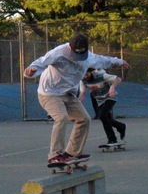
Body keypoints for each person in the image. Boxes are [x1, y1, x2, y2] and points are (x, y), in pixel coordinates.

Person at [24, 33, 131, 166]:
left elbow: (103, 60)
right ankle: (55, 155)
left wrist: (119, 62)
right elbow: (41, 62)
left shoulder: (89, 57)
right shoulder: (58, 52)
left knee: (84, 119)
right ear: (70, 47)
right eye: (76, 55)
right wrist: (31, 70)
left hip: (68, 93)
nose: (78, 59)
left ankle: (72, 153)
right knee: (61, 117)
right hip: (49, 93)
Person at [80, 68, 126, 146]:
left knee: (102, 116)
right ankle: (121, 126)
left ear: (92, 72)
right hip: (100, 100)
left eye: (87, 74)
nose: (85, 77)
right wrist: (78, 101)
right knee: (107, 119)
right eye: (84, 75)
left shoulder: (102, 76)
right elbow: (82, 93)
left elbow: (118, 79)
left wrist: (112, 87)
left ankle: (112, 139)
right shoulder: (83, 81)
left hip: (110, 97)